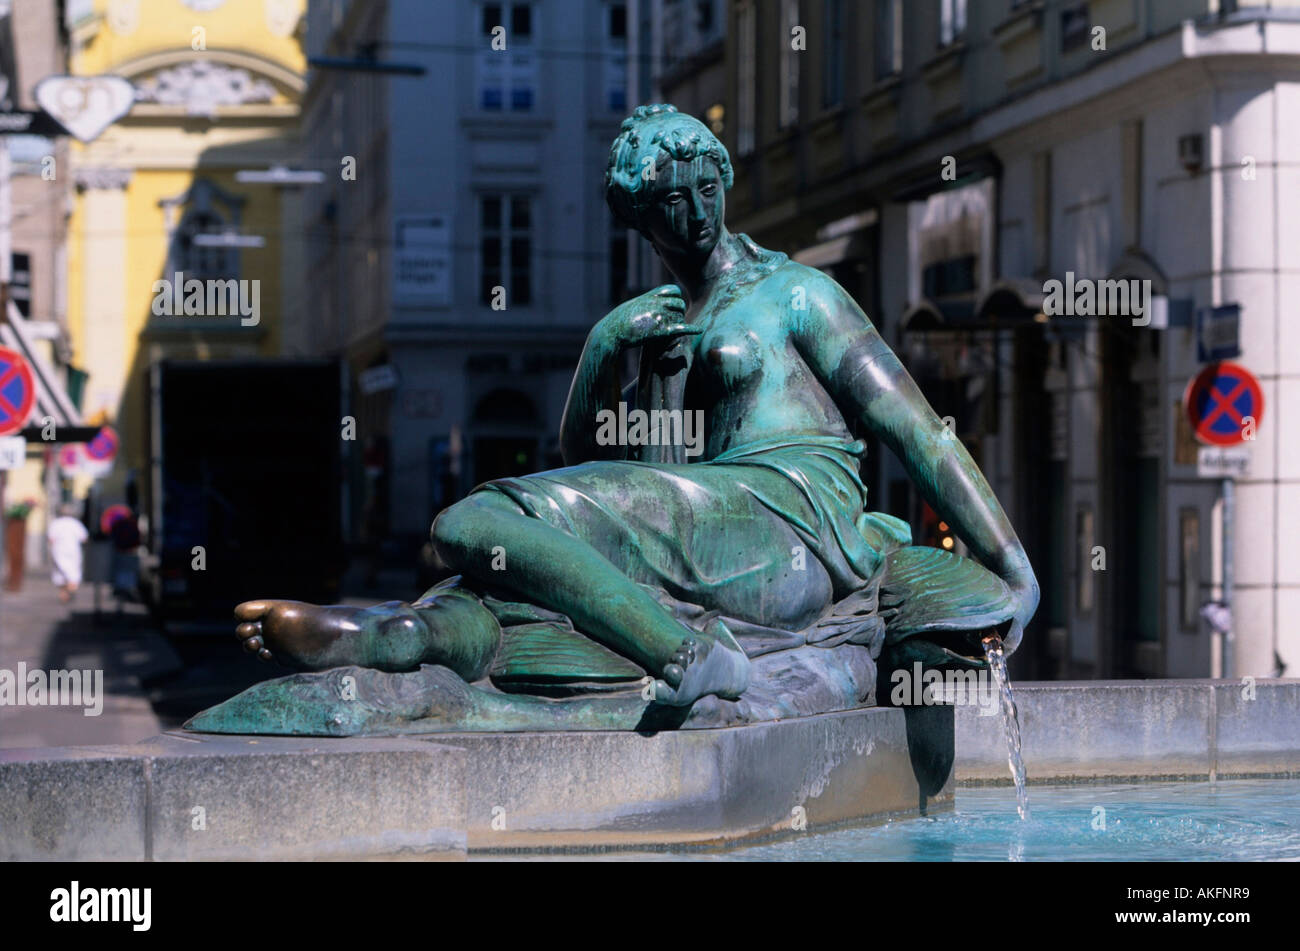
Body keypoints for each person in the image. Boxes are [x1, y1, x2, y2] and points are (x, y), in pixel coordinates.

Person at [232, 104, 1038, 709]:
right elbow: (582, 450)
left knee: (467, 524)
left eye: (706, 186)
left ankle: (687, 657)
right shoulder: (642, 320)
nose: (696, 211)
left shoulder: (798, 293)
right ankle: (396, 637)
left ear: (722, 178)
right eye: (671, 201)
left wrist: (1009, 565)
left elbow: (915, 426)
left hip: (786, 525)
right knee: (491, 575)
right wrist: (609, 339)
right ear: (641, 220)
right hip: (703, 520)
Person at [47, 503, 89, 604]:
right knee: (72, 572)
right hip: (73, 551)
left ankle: (64, 594)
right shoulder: (75, 523)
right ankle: (70, 590)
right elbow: (84, 538)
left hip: (59, 551)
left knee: (60, 573)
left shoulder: (55, 523)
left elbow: (51, 539)